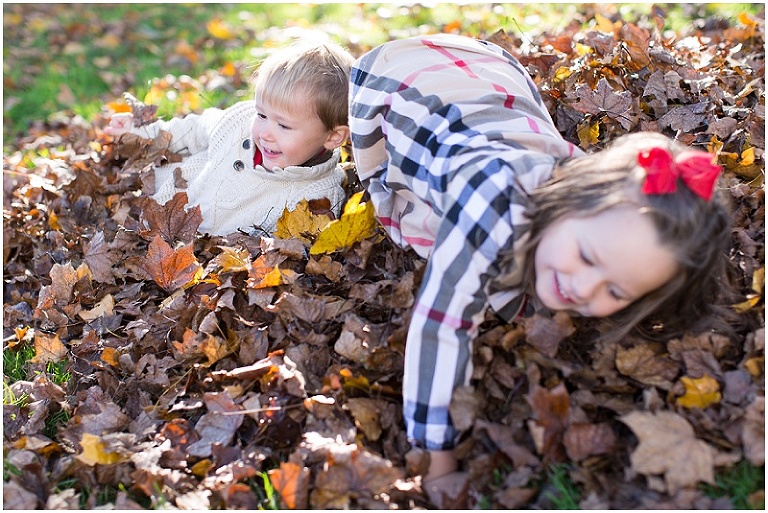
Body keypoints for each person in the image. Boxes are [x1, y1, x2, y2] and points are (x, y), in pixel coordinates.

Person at [348, 34, 731, 498]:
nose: (584, 289)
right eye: (588, 257)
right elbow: (441, 328)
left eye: (617, 291)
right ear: (570, 197)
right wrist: (439, 461)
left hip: (490, 89)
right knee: (448, 228)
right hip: (404, 79)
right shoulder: (491, 201)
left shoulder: (603, 212)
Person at [106, 38, 355, 236]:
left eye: (284, 126)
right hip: (158, 199)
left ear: (333, 137)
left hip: (207, 263)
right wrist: (142, 131)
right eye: (262, 115)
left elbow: (289, 258)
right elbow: (192, 129)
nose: (265, 132)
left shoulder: (318, 199)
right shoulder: (240, 122)